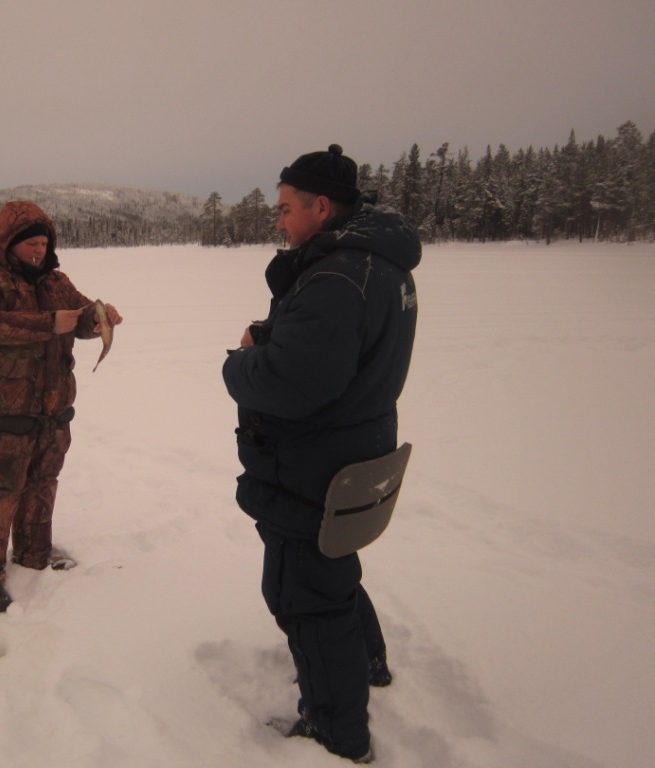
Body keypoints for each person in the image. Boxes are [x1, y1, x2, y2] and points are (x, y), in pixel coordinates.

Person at [222, 145, 420, 763]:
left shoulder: (337, 277)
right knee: (331, 571)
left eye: (286, 208)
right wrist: (274, 335)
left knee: (304, 597)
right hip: (350, 451)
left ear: (322, 207)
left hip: (314, 467)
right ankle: (367, 662)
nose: (279, 220)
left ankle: (337, 732)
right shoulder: (376, 265)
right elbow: (336, 349)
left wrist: (240, 363)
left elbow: (291, 383)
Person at [0, 200, 122, 614]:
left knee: (42, 484)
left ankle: (34, 553)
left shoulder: (57, 281)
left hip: (54, 408)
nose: (38, 250)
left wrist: (99, 319)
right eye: (30, 243)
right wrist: (49, 323)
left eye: (43, 243)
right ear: (8, 242)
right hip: (5, 408)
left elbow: (80, 316)